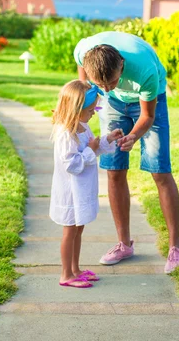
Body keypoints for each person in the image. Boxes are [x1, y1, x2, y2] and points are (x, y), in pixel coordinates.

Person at [74, 31, 179, 274]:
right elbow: (84, 80)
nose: (105, 88)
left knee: (159, 171)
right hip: (114, 107)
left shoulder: (144, 70)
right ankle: (124, 244)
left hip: (147, 101)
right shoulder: (85, 51)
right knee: (114, 170)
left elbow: (147, 116)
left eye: (111, 82)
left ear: (122, 66)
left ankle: (176, 247)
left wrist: (134, 136)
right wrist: (89, 93)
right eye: (100, 84)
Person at [50, 80, 124, 288]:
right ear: (76, 109)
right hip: (70, 193)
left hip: (81, 190)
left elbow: (91, 150)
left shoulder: (82, 127)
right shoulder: (66, 134)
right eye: (91, 109)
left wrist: (107, 140)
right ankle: (66, 274)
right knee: (70, 232)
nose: (94, 113)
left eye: (95, 108)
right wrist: (91, 149)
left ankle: (75, 269)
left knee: (79, 229)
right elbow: (72, 165)